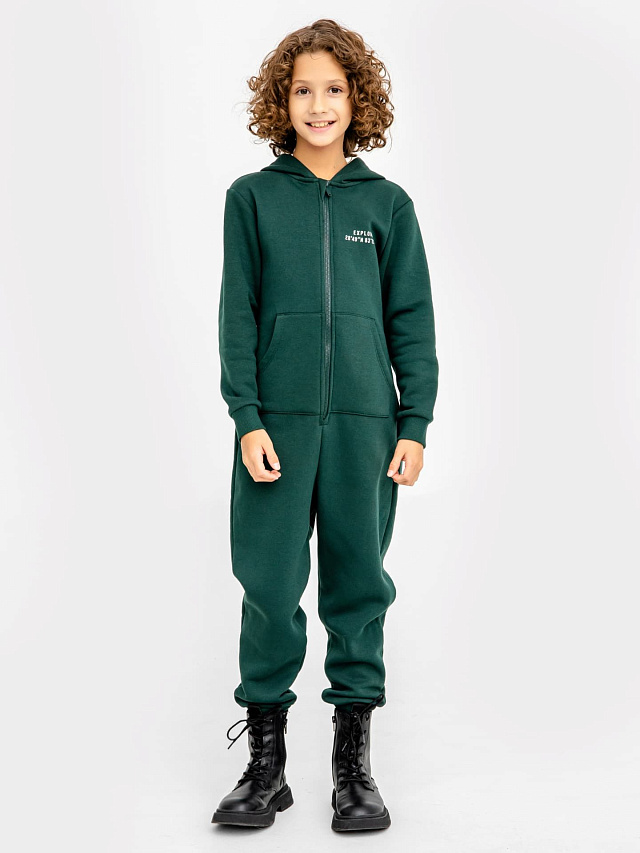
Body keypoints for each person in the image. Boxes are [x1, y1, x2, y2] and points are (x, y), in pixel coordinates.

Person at [211, 18, 439, 832]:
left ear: (357, 98)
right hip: (275, 428)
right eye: (303, 89)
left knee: (358, 586)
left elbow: (411, 320)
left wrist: (414, 423)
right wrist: (247, 416)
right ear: (282, 100)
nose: (318, 105)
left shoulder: (387, 205)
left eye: (334, 89)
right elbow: (237, 317)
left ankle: (353, 767)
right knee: (270, 585)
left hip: (365, 431)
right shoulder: (251, 198)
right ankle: (265, 766)